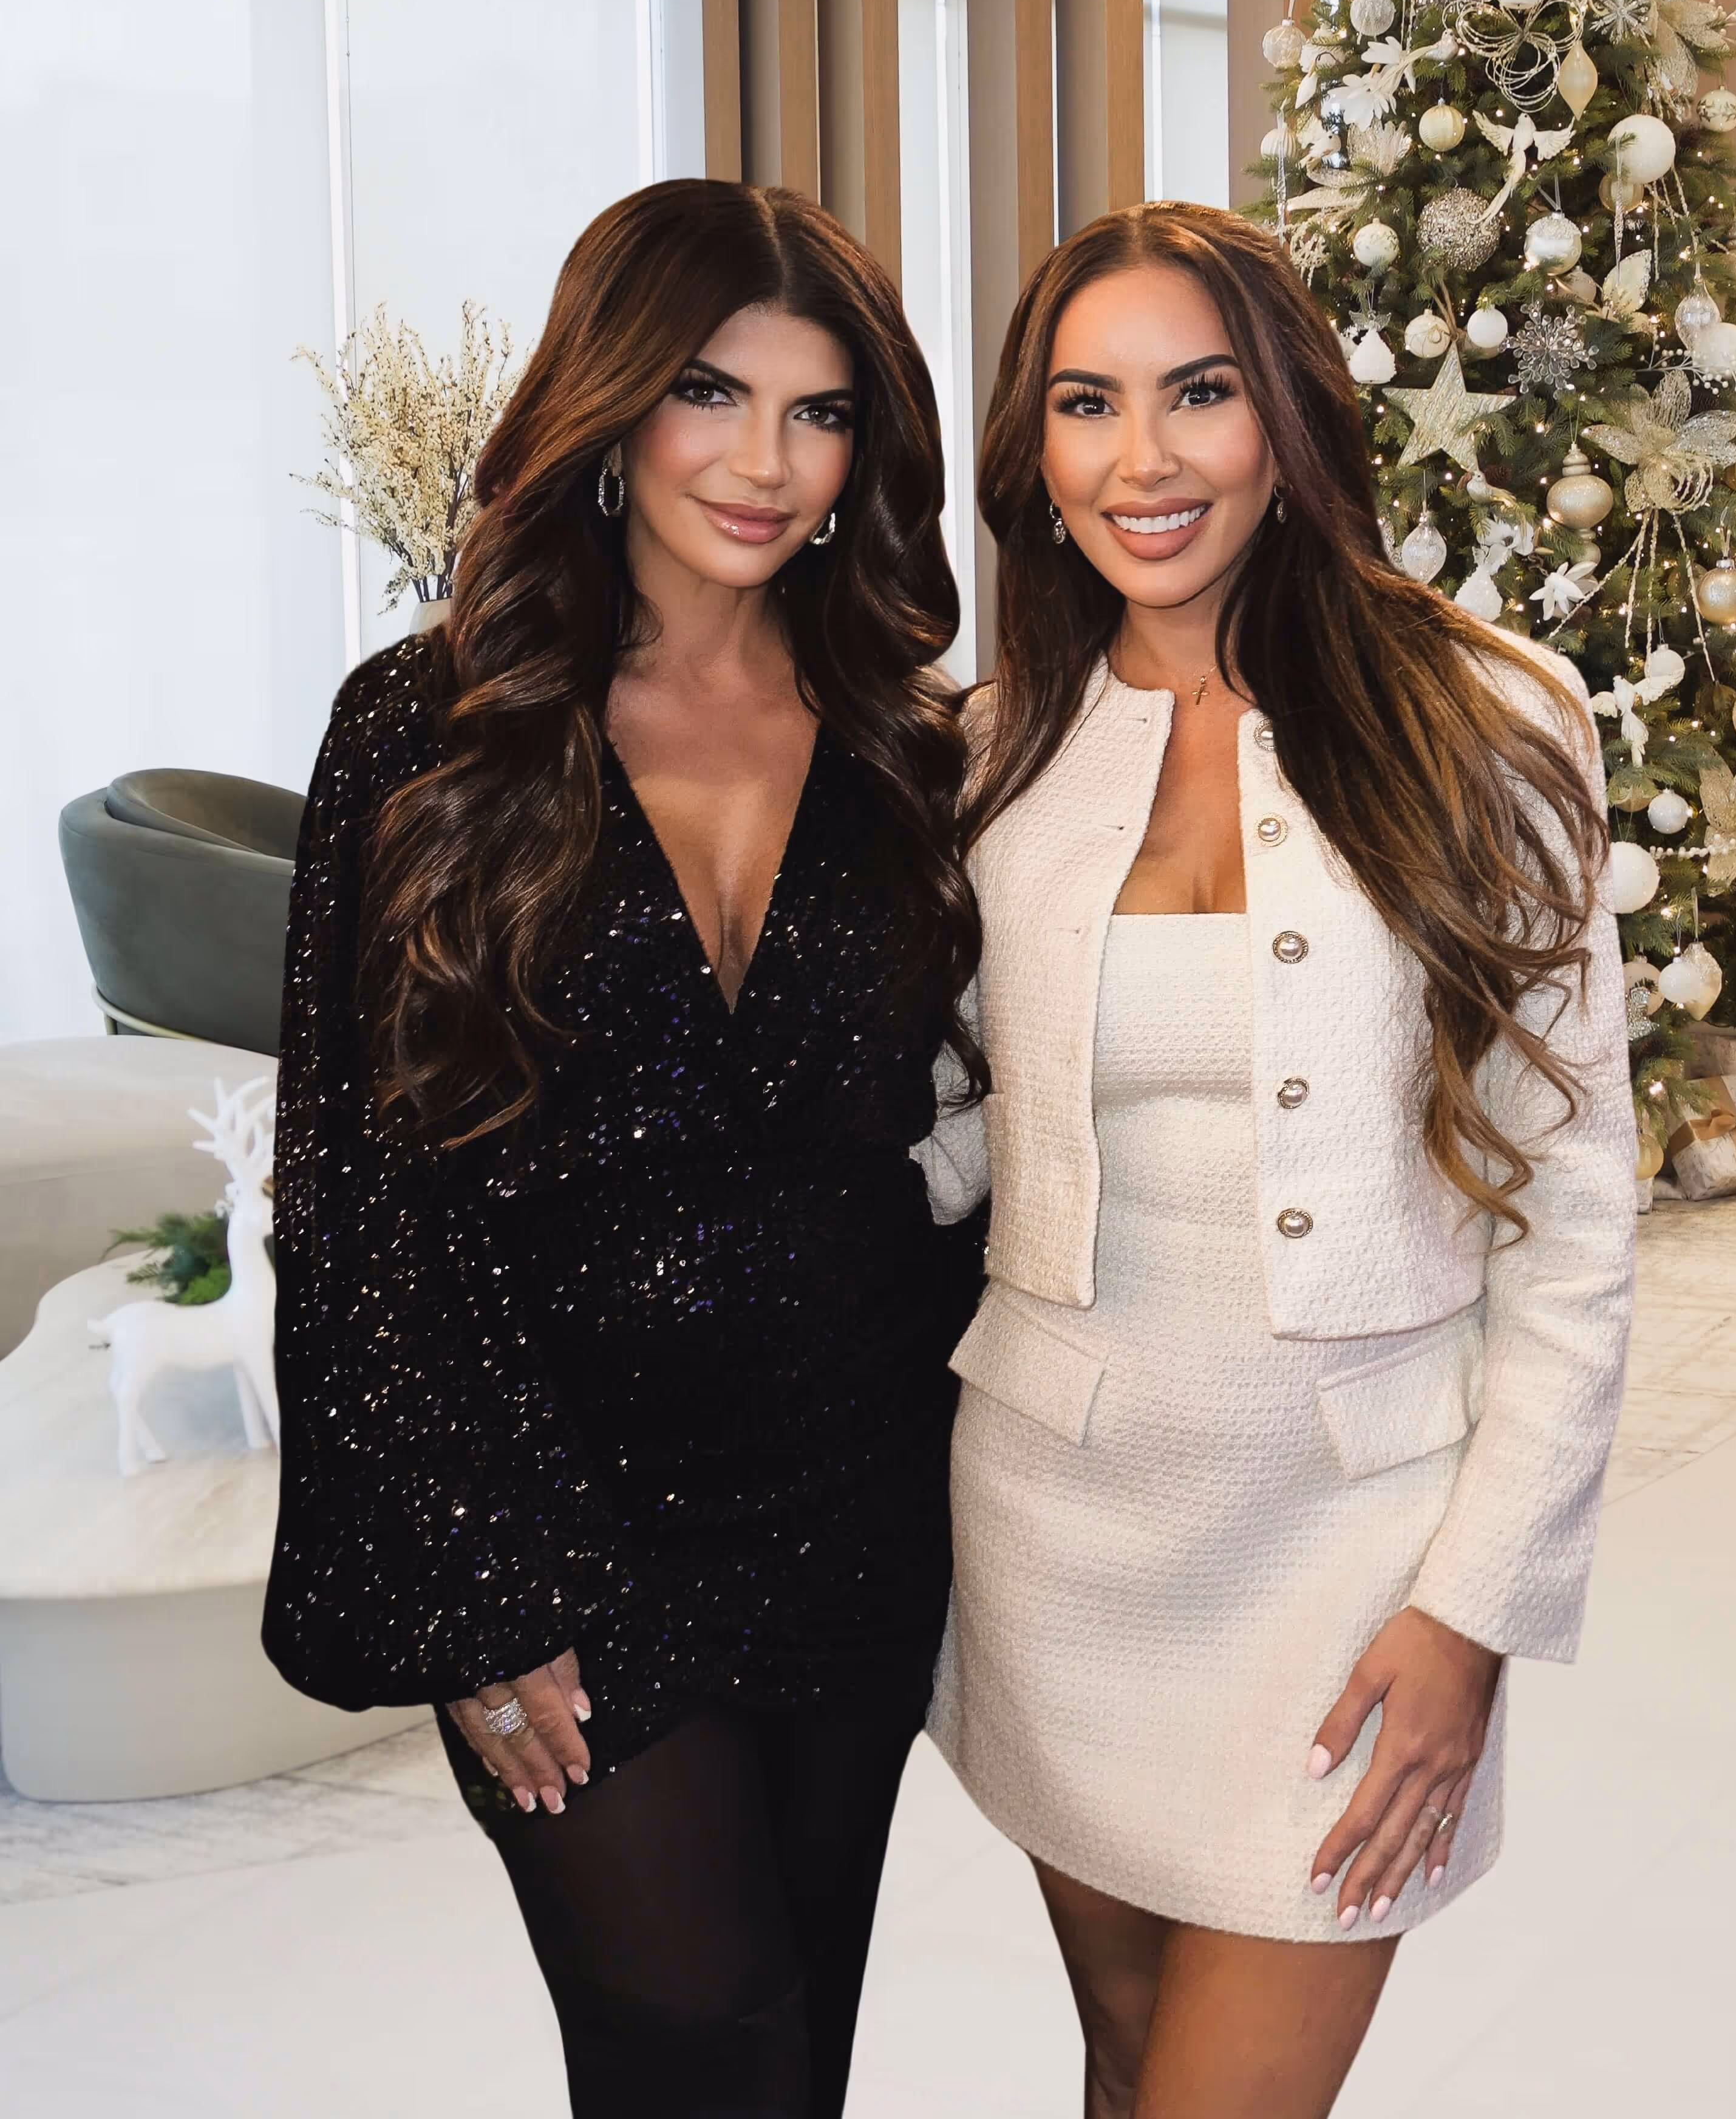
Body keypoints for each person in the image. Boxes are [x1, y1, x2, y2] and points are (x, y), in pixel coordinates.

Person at [262, 179, 987, 2119]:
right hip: (555, 1511)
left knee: (797, 2047)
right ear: (607, 405)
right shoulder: (429, 728)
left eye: (818, 411)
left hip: (851, 1502)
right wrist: (477, 1586)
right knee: (705, 2041)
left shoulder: (905, 744)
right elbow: (348, 1200)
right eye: (707, 393)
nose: (764, 460)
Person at [919, 201, 1636, 2117]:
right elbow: (940, 1137)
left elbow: (1575, 1212)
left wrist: (1473, 1608)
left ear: (1289, 415)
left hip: (1350, 1559)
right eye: (1087, 403)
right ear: (1034, 448)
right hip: (1063, 1541)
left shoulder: (1489, 719)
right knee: (1132, 2065)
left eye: (1199, 394)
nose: (1142, 460)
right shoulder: (989, 750)